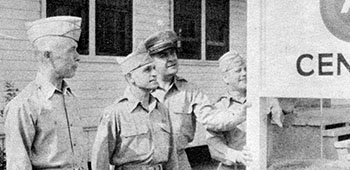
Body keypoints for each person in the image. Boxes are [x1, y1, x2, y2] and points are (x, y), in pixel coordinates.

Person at [142, 30, 250, 170]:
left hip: (178, 163)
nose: (171, 58)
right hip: (147, 164)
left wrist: (238, 116)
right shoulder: (143, 90)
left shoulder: (190, 91)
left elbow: (211, 118)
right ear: (151, 61)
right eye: (163, 56)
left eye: (173, 53)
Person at [4, 16, 87, 169]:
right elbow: (18, 165)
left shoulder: (70, 98)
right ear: (47, 55)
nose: (78, 57)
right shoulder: (24, 105)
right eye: (71, 50)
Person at [91, 45, 175, 170]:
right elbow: (100, 160)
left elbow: (172, 158)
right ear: (130, 77)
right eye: (147, 70)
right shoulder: (115, 113)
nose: (154, 74)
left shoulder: (161, 109)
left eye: (154, 68)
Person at [206, 51, 284, 170]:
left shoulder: (263, 100)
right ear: (225, 78)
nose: (244, 73)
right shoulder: (219, 107)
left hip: (263, 165)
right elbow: (214, 144)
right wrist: (237, 156)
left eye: (246, 69)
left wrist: (275, 101)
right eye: (238, 70)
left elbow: (284, 120)